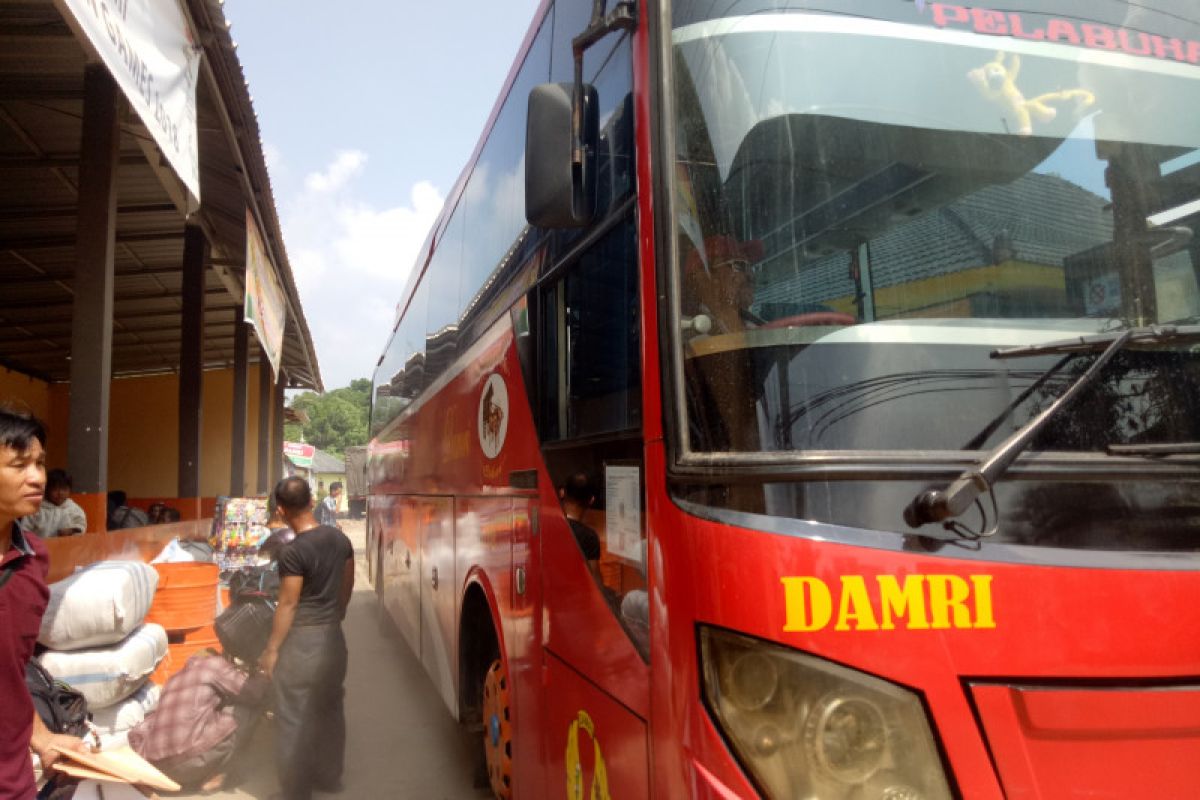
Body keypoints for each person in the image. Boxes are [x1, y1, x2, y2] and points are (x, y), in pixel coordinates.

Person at [0, 406, 88, 799]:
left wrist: (43, 738)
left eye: (39, 463)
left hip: (11, 777)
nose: (37, 477)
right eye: (19, 465)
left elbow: (12, 670)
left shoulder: (34, 559)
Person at [259, 476, 354, 800]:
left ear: (281, 511)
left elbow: (288, 604)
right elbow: (347, 584)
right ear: (312, 501)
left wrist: (272, 649)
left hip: (302, 645)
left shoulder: (292, 552)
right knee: (330, 706)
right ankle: (330, 778)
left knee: (293, 715)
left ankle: (295, 793)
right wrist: (336, 614)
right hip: (333, 639)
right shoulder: (339, 539)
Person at [128, 649, 269, 792]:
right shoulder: (212, 665)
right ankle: (218, 775)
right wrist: (263, 675)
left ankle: (196, 774)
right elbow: (253, 692)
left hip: (156, 766)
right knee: (246, 708)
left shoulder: (174, 679)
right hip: (188, 762)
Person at [683, 234, 765, 334]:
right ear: (704, 277)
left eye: (750, 267)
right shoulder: (686, 330)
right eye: (739, 265)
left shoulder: (755, 324)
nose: (750, 275)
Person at [559, 472, 603, 585]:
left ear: (562, 492)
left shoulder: (547, 524)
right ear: (591, 500)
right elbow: (595, 581)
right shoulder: (589, 537)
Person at [19, 468, 87, 537]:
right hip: (38, 546)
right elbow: (24, 530)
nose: (60, 493)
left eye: (64, 489)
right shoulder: (36, 509)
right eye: (55, 489)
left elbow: (81, 526)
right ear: (46, 490)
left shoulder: (74, 509)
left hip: (67, 546)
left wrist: (72, 530)